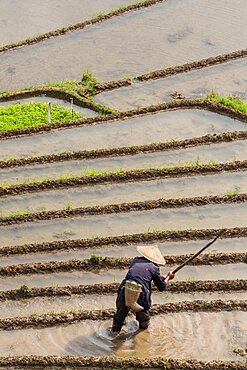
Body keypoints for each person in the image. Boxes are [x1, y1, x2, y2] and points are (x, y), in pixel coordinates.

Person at [112, 245, 175, 333]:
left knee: (119, 318)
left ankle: (114, 335)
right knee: (144, 320)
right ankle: (142, 338)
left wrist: (160, 276)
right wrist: (169, 277)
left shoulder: (135, 261)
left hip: (125, 288)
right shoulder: (154, 267)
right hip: (140, 292)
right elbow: (161, 287)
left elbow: (140, 274)